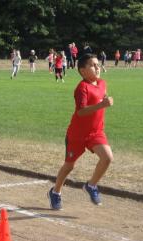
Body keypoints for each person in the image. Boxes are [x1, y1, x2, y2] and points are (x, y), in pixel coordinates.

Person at [47, 53, 114, 209]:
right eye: (92, 65)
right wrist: (102, 105)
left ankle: (91, 186)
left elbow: (101, 97)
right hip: (77, 134)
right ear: (82, 71)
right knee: (69, 166)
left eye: (98, 64)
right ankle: (55, 192)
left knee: (107, 157)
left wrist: (103, 101)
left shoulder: (102, 83)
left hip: (96, 132)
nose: (97, 67)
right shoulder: (82, 87)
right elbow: (81, 111)